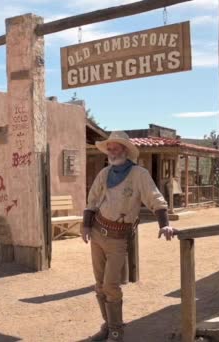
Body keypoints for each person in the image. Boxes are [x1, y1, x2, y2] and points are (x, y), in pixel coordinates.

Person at [82, 131, 177, 342]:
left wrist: (164, 225)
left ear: (125, 150)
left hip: (118, 237)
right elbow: (92, 200)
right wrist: (86, 226)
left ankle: (117, 331)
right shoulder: (104, 173)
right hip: (98, 232)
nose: (111, 152)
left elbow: (155, 199)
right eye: (110, 148)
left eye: (115, 148)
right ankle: (108, 326)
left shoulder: (139, 174)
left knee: (110, 285)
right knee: (99, 284)